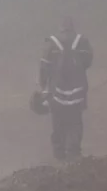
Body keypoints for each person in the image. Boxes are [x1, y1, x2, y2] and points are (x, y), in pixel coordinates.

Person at [38, 18, 92, 161]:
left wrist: (43, 88)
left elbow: (44, 68)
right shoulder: (82, 41)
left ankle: (59, 156)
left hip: (57, 93)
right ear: (73, 28)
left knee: (58, 124)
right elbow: (87, 62)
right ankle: (74, 155)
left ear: (60, 28)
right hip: (78, 92)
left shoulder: (51, 43)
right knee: (75, 123)